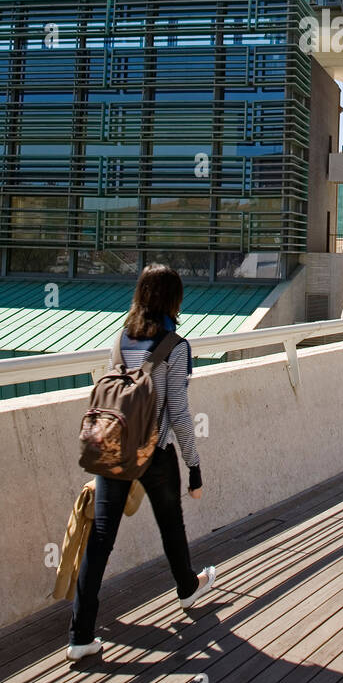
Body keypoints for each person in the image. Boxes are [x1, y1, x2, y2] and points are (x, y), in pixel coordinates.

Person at [66, 264, 216, 660]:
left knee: (100, 540)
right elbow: (180, 413)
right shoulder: (175, 347)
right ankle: (187, 588)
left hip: (113, 448)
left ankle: (80, 636)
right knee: (171, 526)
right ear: (173, 300)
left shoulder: (120, 339)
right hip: (155, 453)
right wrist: (195, 466)